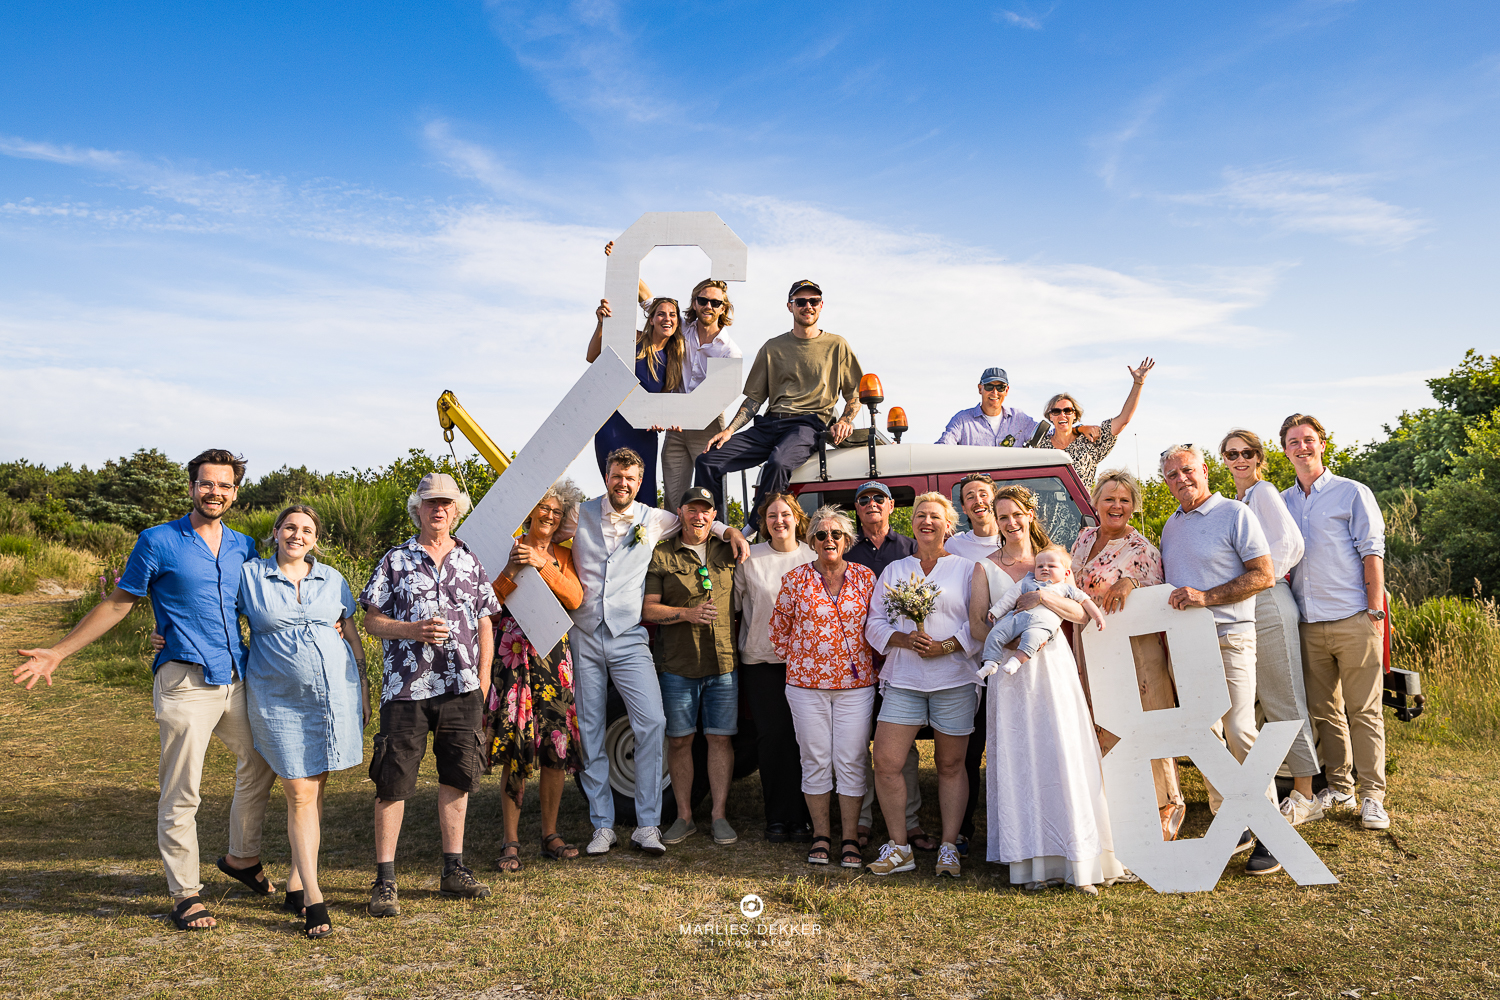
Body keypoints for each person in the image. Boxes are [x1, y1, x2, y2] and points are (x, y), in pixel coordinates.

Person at [14, 449, 277, 932]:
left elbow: (259, 606)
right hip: (184, 680)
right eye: (205, 483)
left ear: (235, 491)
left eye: (223, 485)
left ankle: (241, 858)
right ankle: (186, 893)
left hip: (236, 677)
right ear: (192, 487)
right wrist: (59, 651)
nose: (214, 492)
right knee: (183, 791)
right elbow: (119, 602)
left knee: (262, 760)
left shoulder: (245, 545)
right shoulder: (157, 540)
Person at [569, 448, 749, 858]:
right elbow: (545, 531)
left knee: (652, 722)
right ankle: (602, 825)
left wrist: (730, 532)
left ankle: (648, 824)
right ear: (607, 475)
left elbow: (699, 520)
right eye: (617, 476)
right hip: (583, 633)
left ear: (640, 481)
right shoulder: (578, 513)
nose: (623, 484)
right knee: (592, 728)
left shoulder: (655, 518)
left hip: (629, 634)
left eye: (631, 478)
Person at [969, 484, 1123, 894]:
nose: (1011, 522)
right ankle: (1032, 863)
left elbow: (1080, 612)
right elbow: (978, 626)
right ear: (995, 523)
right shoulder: (984, 567)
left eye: (1016, 514)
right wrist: (1010, 643)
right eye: (1002, 517)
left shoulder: (1053, 558)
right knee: (1023, 760)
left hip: (1053, 667)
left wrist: (1041, 598)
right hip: (1011, 674)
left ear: (1030, 514)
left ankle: (1080, 859)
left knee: (1063, 754)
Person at [360, 473, 499, 916]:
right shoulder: (395, 560)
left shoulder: (470, 561)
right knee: (393, 779)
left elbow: (485, 622)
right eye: (430, 503)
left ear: (457, 510)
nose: (438, 509)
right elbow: (371, 621)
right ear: (416, 508)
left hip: (462, 687)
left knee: (458, 776)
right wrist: (411, 630)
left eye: (446, 503)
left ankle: (453, 871)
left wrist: (484, 676)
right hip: (407, 688)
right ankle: (385, 880)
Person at [236, 504, 369, 938]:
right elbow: (213, 616)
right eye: (290, 527)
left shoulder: (331, 578)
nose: (297, 535)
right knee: (298, 791)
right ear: (275, 532)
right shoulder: (251, 576)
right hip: (278, 698)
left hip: (334, 694)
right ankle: (314, 898)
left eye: (307, 530)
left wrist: (363, 686)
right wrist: (167, 631)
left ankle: (296, 879)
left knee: (316, 787)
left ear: (315, 539)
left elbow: (349, 631)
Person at [1158, 445, 1279, 876]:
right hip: (1186, 646)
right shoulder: (1170, 527)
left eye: (1187, 470)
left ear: (1204, 470)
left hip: (1229, 637)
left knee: (1239, 730)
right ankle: (1234, 823)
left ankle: (1269, 831)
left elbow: (1264, 574)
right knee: (1202, 737)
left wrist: (1207, 598)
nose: (1181, 479)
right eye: (1171, 475)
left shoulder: (1235, 513)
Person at [1281, 413, 1390, 831]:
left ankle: (1372, 797)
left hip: (1354, 618)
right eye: (1293, 441)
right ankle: (1340, 787)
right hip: (1307, 623)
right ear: (1285, 449)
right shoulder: (1284, 501)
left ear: (1322, 444)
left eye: (1308, 439)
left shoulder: (1352, 493)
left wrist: (1375, 610)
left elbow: (1372, 552)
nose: (1302, 447)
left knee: (1365, 711)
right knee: (1324, 712)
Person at [863, 493, 980, 879]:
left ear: (949, 525)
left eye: (935, 516)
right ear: (910, 523)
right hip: (904, 680)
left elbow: (979, 625)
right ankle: (900, 848)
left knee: (950, 765)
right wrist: (903, 640)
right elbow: (875, 623)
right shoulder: (896, 570)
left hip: (954, 680)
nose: (926, 522)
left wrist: (944, 646)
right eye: (920, 516)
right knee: (887, 762)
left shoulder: (967, 569)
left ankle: (949, 847)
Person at [695, 279, 863, 532]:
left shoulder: (836, 345)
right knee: (708, 460)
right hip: (770, 422)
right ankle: (714, 529)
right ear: (790, 306)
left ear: (821, 305)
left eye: (813, 301)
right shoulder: (772, 347)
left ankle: (752, 528)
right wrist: (729, 430)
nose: (808, 306)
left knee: (779, 462)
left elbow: (855, 395)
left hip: (807, 425)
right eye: (801, 302)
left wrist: (844, 421)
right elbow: (754, 399)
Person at [1069, 469, 1182, 840]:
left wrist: (1131, 581)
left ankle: (1163, 811)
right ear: (1096, 503)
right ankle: (1116, 812)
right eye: (1109, 498)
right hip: (1090, 647)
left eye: (1124, 500)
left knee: (1144, 727)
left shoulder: (1142, 549)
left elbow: (1156, 593)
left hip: (1136, 654)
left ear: (1133, 506)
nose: (1116, 505)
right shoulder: (1083, 539)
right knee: (1102, 727)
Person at [1219, 431, 1322, 826]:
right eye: (1232, 454)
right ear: (1223, 460)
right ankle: (1273, 787)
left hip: (1269, 598)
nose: (1240, 459)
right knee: (1259, 702)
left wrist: (1263, 577)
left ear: (1260, 457)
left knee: (1284, 699)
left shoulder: (1262, 492)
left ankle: (1305, 794)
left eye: (1247, 453)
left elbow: (1291, 543)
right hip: (1248, 602)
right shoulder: (1238, 501)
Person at [770, 505, 878, 868]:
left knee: (851, 760)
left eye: (836, 535)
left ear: (847, 540)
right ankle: (821, 835)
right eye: (821, 534)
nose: (828, 540)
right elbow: (778, 630)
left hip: (856, 685)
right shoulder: (795, 579)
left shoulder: (865, 577)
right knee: (815, 759)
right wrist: (807, 660)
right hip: (805, 686)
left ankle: (849, 838)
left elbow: (877, 626)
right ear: (812, 540)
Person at [486, 481, 587, 873]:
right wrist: (514, 566)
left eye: (556, 512)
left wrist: (542, 563)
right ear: (530, 511)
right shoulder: (506, 547)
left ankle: (549, 833)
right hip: (514, 656)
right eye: (543, 508)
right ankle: (510, 840)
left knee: (556, 745)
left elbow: (575, 598)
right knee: (516, 744)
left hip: (553, 657)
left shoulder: (562, 555)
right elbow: (491, 604)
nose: (549, 515)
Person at [644, 486, 741, 848]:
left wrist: (731, 532)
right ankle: (684, 816)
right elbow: (648, 609)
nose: (699, 516)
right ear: (680, 512)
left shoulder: (726, 549)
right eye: (692, 510)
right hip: (678, 666)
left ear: (714, 516)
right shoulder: (662, 555)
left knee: (720, 738)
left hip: (724, 663)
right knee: (680, 740)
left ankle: (718, 815)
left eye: (706, 510)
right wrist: (686, 614)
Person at [843, 481, 927, 852]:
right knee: (858, 742)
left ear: (892, 506)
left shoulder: (911, 549)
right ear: (856, 509)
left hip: (901, 661)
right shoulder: (845, 549)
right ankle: (862, 820)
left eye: (879, 498)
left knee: (902, 748)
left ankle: (909, 822)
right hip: (855, 663)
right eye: (864, 499)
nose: (872, 504)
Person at [734, 493, 816, 843]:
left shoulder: (814, 557)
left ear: (797, 517)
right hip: (762, 662)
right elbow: (737, 606)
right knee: (772, 739)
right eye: (771, 515)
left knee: (806, 741)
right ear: (763, 522)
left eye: (785, 514)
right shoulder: (751, 559)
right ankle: (778, 818)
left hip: (808, 665)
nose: (779, 520)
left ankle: (805, 817)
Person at [939, 473, 1004, 853]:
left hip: (1016, 660)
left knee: (1012, 745)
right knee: (970, 749)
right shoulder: (955, 547)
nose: (978, 501)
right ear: (963, 508)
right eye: (969, 497)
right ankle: (964, 829)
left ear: (994, 499)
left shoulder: (1018, 537)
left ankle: (1011, 824)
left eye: (983, 494)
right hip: (971, 663)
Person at [587, 295, 685, 508]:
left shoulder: (675, 356)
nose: (666, 319)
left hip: (645, 435)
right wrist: (601, 324)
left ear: (678, 321)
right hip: (613, 428)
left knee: (645, 500)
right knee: (618, 493)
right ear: (651, 319)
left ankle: (640, 542)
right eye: (660, 314)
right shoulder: (634, 340)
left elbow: (665, 399)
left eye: (672, 315)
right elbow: (592, 356)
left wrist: (664, 418)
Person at [660, 279, 743, 510]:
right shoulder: (680, 329)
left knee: (708, 498)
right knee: (673, 500)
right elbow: (649, 304)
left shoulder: (729, 352)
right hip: (675, 427)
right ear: (694, 303)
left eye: (715, 302)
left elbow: (724, 395)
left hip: (708, 427)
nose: (709, 306)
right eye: (703, 300)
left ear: (723, 308)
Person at [978, 546, 1105, 678]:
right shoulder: (1027, 582)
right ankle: (990, 662)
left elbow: (1085, 601)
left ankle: (1016, 661)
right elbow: (1010, 597)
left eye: (1051, 566)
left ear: (1066, 573)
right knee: (996, 632)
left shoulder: (1066, 589)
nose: (1045, 568)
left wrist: (1098, 617)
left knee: (1032, 638)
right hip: (1018, 618)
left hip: (1042, 625)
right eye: (1039, 566)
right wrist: (996, 611)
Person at [1039, 358, 1154, 487]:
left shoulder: (1091, 440)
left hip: (1080, 507)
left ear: (1075, 415)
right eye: (1056, 411)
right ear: (1050, 416)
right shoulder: (1040, 445)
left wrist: (1138, 383)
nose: (1062, 415)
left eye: (1067, 410)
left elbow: (1123, 420)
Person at [935, 368, 1040, 447]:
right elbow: (943, 448)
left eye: (1000, 387)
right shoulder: (961, 420)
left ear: (1006, 390)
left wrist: (1055, 414)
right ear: (980, 389)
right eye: (989, 386)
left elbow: (1049, 439)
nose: (995, 392)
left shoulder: (1020, 418)